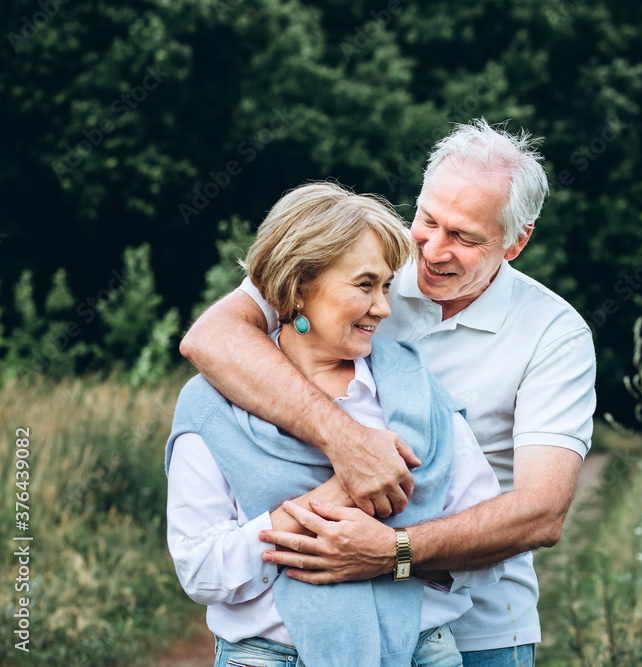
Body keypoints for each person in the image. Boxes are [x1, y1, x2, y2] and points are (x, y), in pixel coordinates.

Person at [181, 119, 598, 666]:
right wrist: (347, 443)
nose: (431, 249)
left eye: (465, 237)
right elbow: (211, 336)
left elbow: (541, 512)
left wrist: (391, 554)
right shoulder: (357, 254)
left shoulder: (554, 334)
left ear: (516, 241)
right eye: (427, 219)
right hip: (283, 636)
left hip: (473, 630)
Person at [166, 182, 505, 667]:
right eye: (365, 285)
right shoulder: (210, 406)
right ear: (299, 286)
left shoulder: (417, 392)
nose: (383, 307)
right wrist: (340, 491)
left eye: (386, 286)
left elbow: (488, 550)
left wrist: (396, 552)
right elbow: (201, 572)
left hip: (422, 654)